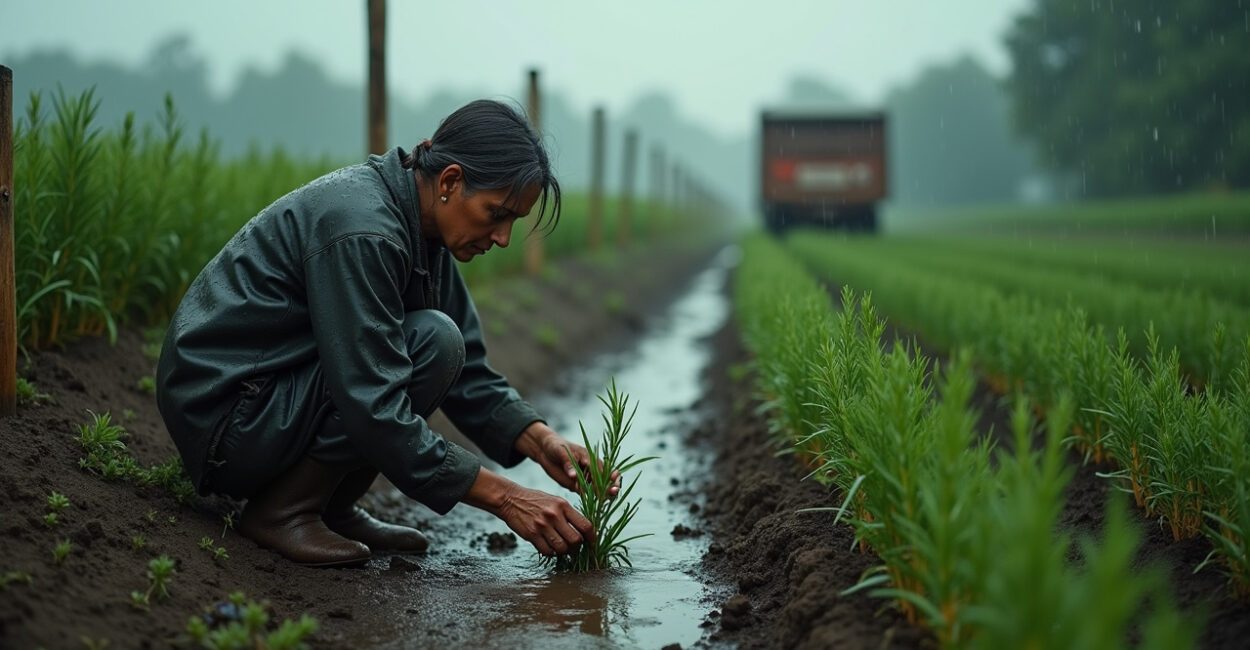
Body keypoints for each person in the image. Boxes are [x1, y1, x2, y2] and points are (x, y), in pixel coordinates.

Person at [156, 99, 616, 568]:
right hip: (226, 418)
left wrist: (542, 442)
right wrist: (507, 497)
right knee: (431, 342)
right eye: (496, 213)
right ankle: (284, 511)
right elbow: (372, 403)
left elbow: (468, 372)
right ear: (451, 181)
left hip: (268, 396)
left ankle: (328, 507)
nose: (502, 238)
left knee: (438, 345)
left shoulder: (427, 228)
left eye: (513, 221)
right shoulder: (365, 229)